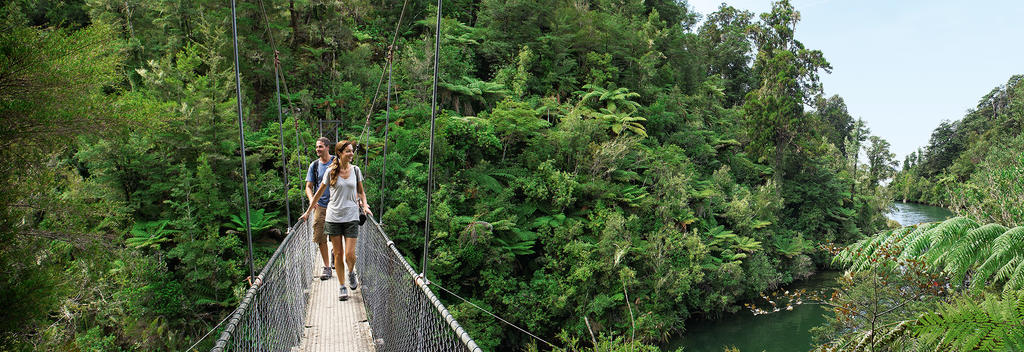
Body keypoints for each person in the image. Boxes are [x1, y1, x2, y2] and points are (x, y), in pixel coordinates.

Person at [301, 140, 372, 301]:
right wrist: (307, 212)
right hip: (333, 218)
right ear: (340, 153)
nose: (351, 154)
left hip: (351, 217)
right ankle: (342, 286)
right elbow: (318, 193)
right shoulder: (330, 172)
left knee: (349, 255)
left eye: (352, 151)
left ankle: (351, 272)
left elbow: (361, 192)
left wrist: (365, 205)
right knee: (339, 254)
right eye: (348, 151)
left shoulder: (356, 170)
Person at [306, 137, 334, 280]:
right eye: (317, 147)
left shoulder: (337, 162)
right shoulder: (314, 166)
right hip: (320, 206)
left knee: (338, 234)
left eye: (320, 147)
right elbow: (308, 187)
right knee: (320, 236)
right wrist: (312, 200)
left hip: (337, 205)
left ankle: (335, 251)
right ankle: (327, 267)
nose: (317, 149)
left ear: (328, 147)